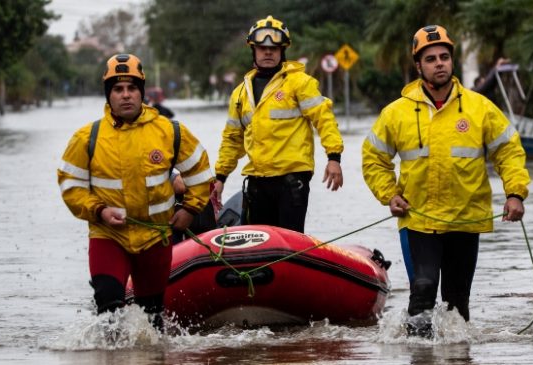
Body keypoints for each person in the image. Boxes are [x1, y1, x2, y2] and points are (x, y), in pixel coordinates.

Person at [361, 25, 530, 337]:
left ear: (452, 62)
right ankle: (418, 355)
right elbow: (373, 157)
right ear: (418, 66)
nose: (439, 63)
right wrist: (389, 194)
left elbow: (509, 151)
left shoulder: (480, 108)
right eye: (430, 59)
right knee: (422, 290)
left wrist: (515, 193)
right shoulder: (396, 113)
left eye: (444, 57)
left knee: (457, 306)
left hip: (466, 220)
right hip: (418, 220)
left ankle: (457, 356)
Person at [57, 53, 213, 329]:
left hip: (156, 236)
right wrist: (99, 211)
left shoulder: (170, 131)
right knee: (108, 307)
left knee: (152, 319)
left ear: (142, 93)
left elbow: (200, 174)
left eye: (132, 88)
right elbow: (71, 186)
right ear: (108, 95)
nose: (125, 95)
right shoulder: (87, 138)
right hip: (108, 235)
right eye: (118, 89)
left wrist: (190, 210)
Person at [212, 15, 344, 233]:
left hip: (291, 181)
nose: (268, 52)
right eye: (262, 48)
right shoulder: (240, 93)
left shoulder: (299, 83)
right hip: (257, 182)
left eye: (274, 48)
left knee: (290, 242)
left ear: (282, 51)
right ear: (253, 50)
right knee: (259, 246)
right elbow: (232, 139)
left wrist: (334, 158)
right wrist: (220, 178)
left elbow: (324, 119)